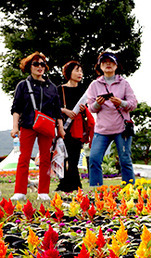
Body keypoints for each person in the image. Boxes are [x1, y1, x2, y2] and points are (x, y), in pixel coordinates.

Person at [10, 52, 66, 201]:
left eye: (42, 64)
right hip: (28, 125)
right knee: (24, 158)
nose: (40, 67)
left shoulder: (52, 87)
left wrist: (60, 128)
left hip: (47, 126)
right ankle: (20, 191)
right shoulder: (23, 85)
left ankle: (43, 192)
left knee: (46, 159)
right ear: (29, 67)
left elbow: (57, 110)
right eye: (36, 64)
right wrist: (15, 127)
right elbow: (16, 108)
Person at [86, 51, 137, 187]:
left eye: (111, 62)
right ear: (100, 66)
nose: (108, 64)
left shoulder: (124, 83)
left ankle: (129, 191)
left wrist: (121, 102)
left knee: (125, 160)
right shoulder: (94, 85)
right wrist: (98, 103)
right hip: (102, 129)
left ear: (116, 65)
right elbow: (91, 108)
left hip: (122, 128)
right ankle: (96, 191)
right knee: (94, 159)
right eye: (104, 62)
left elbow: (133, 103)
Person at [57, 61, 94, 193]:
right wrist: (64, 111)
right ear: (69, 72)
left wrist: (85, 109)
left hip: (78, 127)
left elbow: (88, 108)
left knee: (74, 157)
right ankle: (65, 184)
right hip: (63, 126)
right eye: (77, 70)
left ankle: (74, 185)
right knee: (63, 156)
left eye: (81, 71)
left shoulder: (83, 91)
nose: (80, 74)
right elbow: (54, 107)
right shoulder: (60, 89)